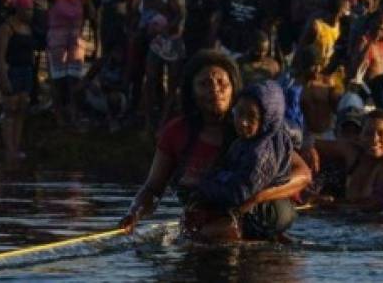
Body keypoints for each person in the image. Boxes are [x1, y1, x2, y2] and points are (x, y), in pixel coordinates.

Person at [120, 51, 311, 237]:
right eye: (204, 84)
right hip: (204, 226)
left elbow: (303, 175)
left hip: (254, 219)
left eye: (222, 83)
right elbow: (153, 189)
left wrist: (257, 198)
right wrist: (134, 214)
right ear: (191, 92)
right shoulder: (176, 133)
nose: (215, 90)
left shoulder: (253, 129)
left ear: (234, 88)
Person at [195, 80, 296, 241]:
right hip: (255, 205)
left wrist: (205, 184)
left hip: (267, 211)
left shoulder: (261, 153)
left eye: (252, 117)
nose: (243, 122)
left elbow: (240, 192)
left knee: (203, 236)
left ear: (267, 119)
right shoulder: (245, 142)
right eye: (239, 113)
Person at [313, 109, 383, 204]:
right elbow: (311, 144)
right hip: (354, 218)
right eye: (368, 133)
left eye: (381, 133)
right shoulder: (354, 155)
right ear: (360, 136)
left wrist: (332, 204)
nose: (374, 139)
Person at [0, 0, 35, 164]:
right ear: (18, 9)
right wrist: (3, 77)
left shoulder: (28, 27)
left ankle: (16, 147)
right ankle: (9, 149)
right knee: (10, 110)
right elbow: (0, 55)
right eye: (27, 9)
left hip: (26, 71)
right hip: (12, 70)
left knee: (22, 108)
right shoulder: (7, 28)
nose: (30, 13)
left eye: (31, 9)